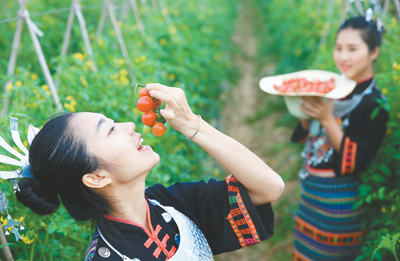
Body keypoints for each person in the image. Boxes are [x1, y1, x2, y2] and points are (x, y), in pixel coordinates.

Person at [14, 83, 285, 260]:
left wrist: (192, 125)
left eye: (113, 122)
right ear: (96, 178)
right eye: (109, 130)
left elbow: (269, 187)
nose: (130, 125)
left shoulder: (168, 204)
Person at [291, 16, 389, 260]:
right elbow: (307, 139)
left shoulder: (374, 103)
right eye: (339, 48)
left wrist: (326, 118)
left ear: (374, 52)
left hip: (339, 206)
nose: (343, 57)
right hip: (310, 198)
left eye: (353, 49)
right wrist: (306, 114)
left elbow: (356, 161)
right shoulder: (331, 89)